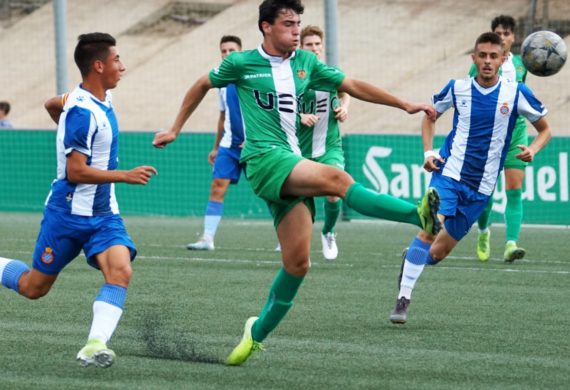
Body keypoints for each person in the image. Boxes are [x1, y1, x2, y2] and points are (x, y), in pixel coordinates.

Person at [153, 0, 441, 366]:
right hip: (263, 160)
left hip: (292, 162)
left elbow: (351, 84)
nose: (296, 30)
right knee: (338, 180)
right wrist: (175, 128)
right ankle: (418, 215)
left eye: (298, 23)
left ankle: (254, 335)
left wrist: (405, 104)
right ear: (266, 27)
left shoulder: (307, 64)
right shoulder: (241, 63)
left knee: (298, 264)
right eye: (288, 23)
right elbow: (200, 84)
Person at [0, 32, 157, 368]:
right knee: (33, 288)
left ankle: (95, 344)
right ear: (98, 66)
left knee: (121, 272)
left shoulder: (93, 99)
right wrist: (124, 175)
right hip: (67, 215)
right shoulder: (84, 113)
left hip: (103, 214)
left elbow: (51, 104)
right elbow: (75, 172)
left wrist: (63, 126)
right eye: (117, 60)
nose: (123, 66)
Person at [389, 32, 551, 325]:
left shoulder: (516, 93)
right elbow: (430, 115)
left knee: (437, 253)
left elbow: (544, 129)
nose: (487, 62)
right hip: (448, 174)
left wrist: (534, 149)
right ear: (473, 58)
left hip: (482, 188)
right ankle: (403, 299)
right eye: (482, 56)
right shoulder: (457, 88)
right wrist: (428, 152)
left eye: (493, 56)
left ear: (504, 60)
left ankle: (413, 259)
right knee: (429, 227)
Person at [470, 15, 529, 262]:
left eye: (506, 34)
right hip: (490, 135)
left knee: (514, 189)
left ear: (513, 38)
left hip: (515, 132)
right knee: (486, 192)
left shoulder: (522, 66)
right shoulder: (479, 66)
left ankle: (511, 244)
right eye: (498, 33)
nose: (502, 37)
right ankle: (483, 231)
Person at [186, 35, 245, 251]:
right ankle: (207, 238)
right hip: (229, 145)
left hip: (255, 145)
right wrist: (216, 146)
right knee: (217, 187)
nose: (228, 54)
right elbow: (223, 115)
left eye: (232, 50)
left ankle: (284, 240)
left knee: (269, 192)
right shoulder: (221, 82)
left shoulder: (253, 76)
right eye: (224, 51)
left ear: (241, 52)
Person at [298, 24, 350, 260]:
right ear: (300, 47)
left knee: (333, 192)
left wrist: (344, 108)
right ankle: (294, 237)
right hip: (299, 148)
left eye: (318, 44)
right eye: (309, 44)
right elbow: (278, 104)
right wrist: (299, 115)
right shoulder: (293, 74)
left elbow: (345, 91)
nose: (314, 48)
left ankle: (328, 231)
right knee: (298, 200)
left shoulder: (330, 72)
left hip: (329, 145)